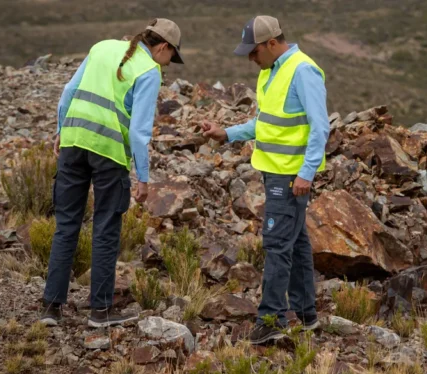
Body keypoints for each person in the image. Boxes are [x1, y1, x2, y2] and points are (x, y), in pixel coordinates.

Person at [39, 19, 184, 328]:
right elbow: (139, 132)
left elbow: (68, 92)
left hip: (74, 142)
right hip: (109, 153)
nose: (168, 63)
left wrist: (61, 130)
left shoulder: (102, 47)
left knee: (66, 225)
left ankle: (51, 307)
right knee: (105, 229)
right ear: (163, 47)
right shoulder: (149, 71)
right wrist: (142, 177)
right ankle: (100, 311)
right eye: (171, 56)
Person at [202, 16, 329, 345]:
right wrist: (226, 133)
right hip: (276, 171)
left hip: (289, 176)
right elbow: (264, 123)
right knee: (295, 243)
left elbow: (320, 127)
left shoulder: (303, 71)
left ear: (272, 43)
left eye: (254, 51)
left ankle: (270, 320)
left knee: (276, 245)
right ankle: (306, 316)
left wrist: (306, 172)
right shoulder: (270, 71)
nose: (250, 58)